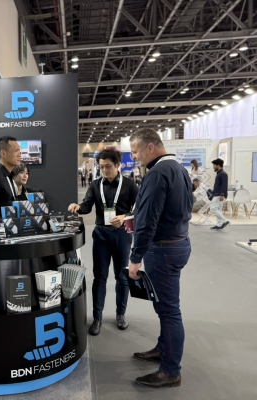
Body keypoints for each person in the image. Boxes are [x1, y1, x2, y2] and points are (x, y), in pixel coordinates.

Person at [128, 128, 193, 389]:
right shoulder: (178, 168)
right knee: (165, 307)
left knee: (168, 311)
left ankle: (170, 371)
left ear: (150, 147)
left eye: (135, 151)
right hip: (179, 243)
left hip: (163, 250)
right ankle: (163, 348)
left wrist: (136, 257)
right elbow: (181, 208)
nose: (134, 157)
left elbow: (148, 219)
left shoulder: (157, 173)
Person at [68, 149, 138, 336]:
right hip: (101, 235)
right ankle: (97, 317)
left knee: (122, 277)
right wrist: (78, 207)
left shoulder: (130, 185)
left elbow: (140, 209)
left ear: (118, 165)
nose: (105, 170)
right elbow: (86, 206)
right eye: (101, 167)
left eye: (108, 167)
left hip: (122, 235)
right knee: (100, 277)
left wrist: (125, 217)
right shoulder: (95, 184)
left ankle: (121, 314)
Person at [209, 158, 229, 230]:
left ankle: (225, 221)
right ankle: (219, 224)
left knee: (213, 209)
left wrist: (222, 195)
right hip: (217, 194)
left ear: (218, 165)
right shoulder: (219, 174)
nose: (213, 167)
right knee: (218, 210)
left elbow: (224, 185)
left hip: (219, 195)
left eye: (214, 165)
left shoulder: (223, 174)